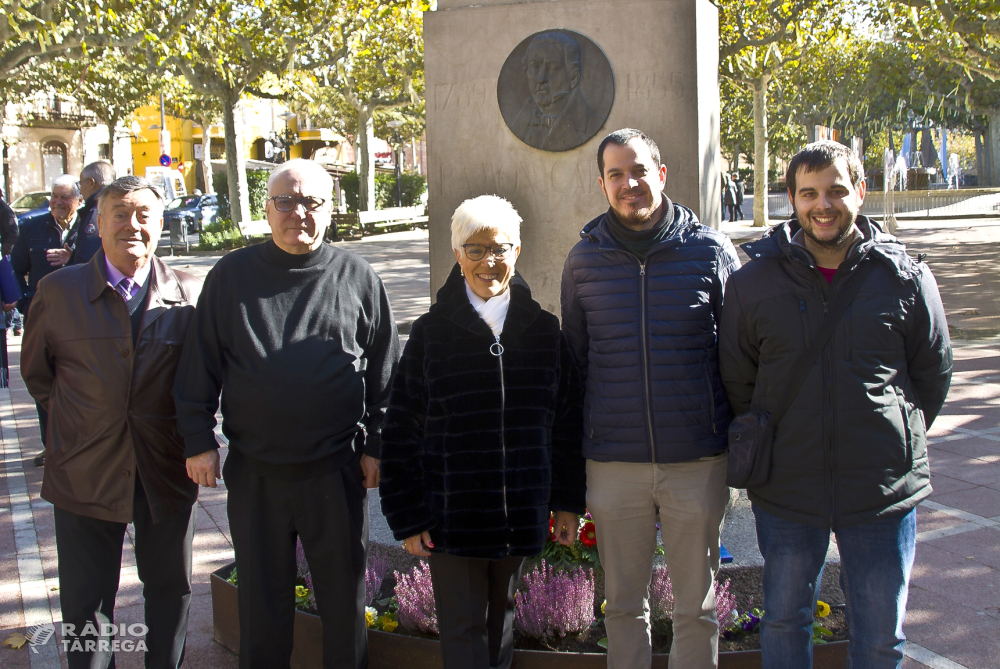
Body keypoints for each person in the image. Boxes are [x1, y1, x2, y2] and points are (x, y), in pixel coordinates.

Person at [719, 140, 952, 668]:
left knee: (879, 635)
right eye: (809, 193)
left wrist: (891, 429)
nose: (823, 204)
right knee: (782, 621)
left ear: (861, 192)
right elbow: (738, 379)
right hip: (787, 487)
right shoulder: (752, 283)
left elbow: (932, 372)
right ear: (793, 200)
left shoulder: (905, 276)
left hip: (881, 487)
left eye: (836, 190)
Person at [174, 158, 399, 669]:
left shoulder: (359, 278)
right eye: (285, 201)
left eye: (311, 201)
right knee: (261, 603)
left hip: (335, 471)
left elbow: (387, 376)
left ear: (331, 207)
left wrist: (376, 446)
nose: (298, 211)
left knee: (344, 604)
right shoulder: (231, 276)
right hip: (257, 473)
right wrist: (197, 439)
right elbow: (199, 366)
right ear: (267, 208)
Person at [379, 195, 586, 669]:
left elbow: (567, 424)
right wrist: (408, 517)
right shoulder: (432, 334)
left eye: (500, 249)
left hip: (520, 515)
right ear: (457, 255)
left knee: (501, 626)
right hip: (453, 517)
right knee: (464, 631)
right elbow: (402, 428)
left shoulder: (543, 331)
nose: (488, 262)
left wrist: (568, 502)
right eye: (475, 250)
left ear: (517, 252)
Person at [560, 128, 741, 669]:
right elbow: (577, 362)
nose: (628, 183)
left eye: (639, 170)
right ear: (602, 184)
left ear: (661, 174)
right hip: (615, 461)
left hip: (696, 459)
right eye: (616, 174)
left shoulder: (710, 252)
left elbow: (737, 357)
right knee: (622, 606)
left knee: (696, 607)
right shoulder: (583, 261)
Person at [21, 176, 202, 669]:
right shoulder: (57, 291)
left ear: (161, 224)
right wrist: (81, 425)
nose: (132, 225)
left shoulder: (189, 293)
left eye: (144, 214)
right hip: (84, 469)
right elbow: (39, 376)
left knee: (169, 589)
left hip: (164, 469)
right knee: (85, 603)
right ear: (97, 224)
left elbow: (203, 382)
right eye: (119, 214)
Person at [11, 173, 82, 467]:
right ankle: (50, 444)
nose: (57, 202)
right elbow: (16, 268)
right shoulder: (32, 227)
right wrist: (26, 302)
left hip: (80, 317)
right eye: (54, 195)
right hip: (41, 317)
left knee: (79, 378)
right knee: (43, 375)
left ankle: (79, 441)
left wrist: (72, 256)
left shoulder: (89, 228)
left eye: (64, 197)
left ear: (78, 200)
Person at [509, 31, 607, 151]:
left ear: (573, 78)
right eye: (534, 66)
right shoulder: (520, 123)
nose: (541, 78)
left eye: (553, 68)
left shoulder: (591, 123)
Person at [66, 160, 116, 265]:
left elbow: (88, 259)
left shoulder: (96, 212)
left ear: (91, 182)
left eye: (80, 184)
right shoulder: (116, 206)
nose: (80, 190)